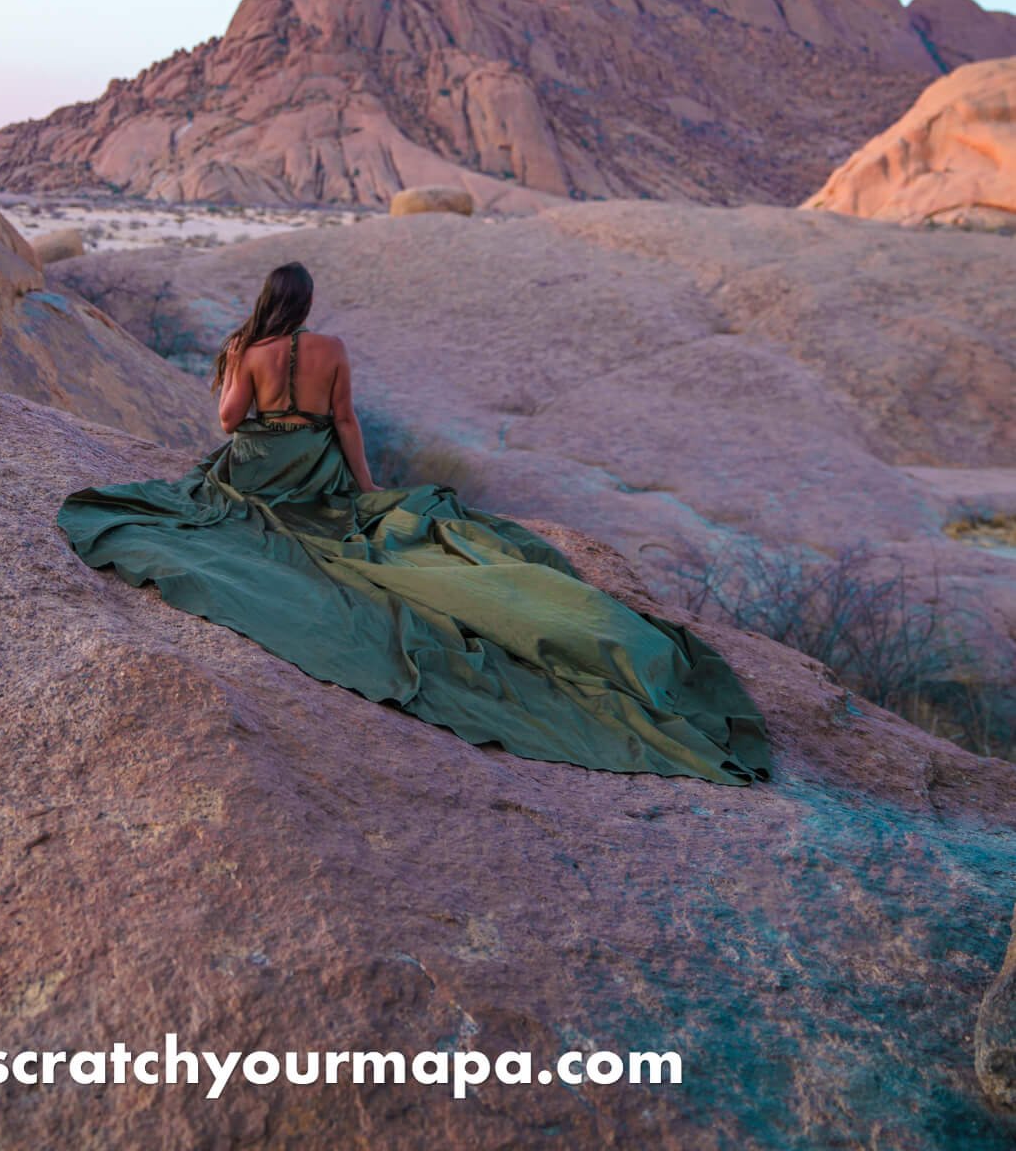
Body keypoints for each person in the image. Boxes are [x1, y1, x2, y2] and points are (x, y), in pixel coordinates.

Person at [58, 262, 771, 784]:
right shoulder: (331, 351)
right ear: (305, 305)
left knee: (249, 535)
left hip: (259, 472)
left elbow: (227, 421)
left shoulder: (251, 352)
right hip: (319, 472)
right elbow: (342, 420)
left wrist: (235, 370)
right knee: (399, 542)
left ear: (265, 302)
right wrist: (366, 489)